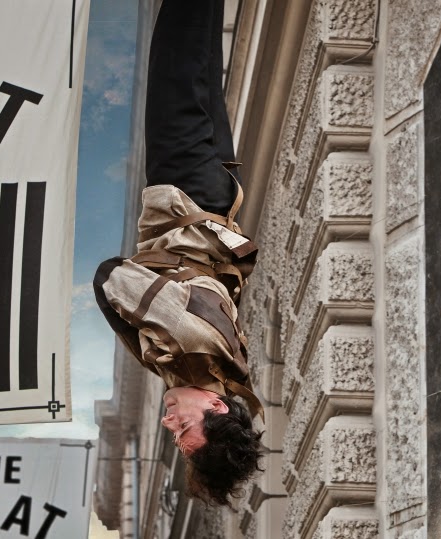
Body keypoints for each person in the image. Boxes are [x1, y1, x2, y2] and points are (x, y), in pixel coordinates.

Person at [93, 0, 265, 507]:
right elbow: (110, 278)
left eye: (172, 432)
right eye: (184, 424)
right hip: (183, 187)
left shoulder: (227, 370)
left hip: (216, 195)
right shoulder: (185, 346)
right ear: (214, 406)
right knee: (175, 52)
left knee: (202, 56)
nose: (169, 421)